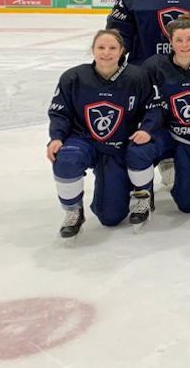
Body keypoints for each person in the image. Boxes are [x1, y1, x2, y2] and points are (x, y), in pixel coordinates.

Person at [45, 29, 157, 238]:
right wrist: (57, 137)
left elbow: (153, 107)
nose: (106, 53)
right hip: (83, 140)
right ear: (92, 50)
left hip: (118, 146)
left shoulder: (136, 76)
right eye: (101, 47)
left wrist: (146, 129)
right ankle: (73, 211)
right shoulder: (73, 77)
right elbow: (60, 112)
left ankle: (140, 195)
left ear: (122, 51)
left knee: (111, 217)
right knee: (66, 159)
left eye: (112, 48)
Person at [125, 17, 190, 226]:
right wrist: (147, 128)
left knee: (187, 203)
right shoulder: (155, 66)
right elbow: (146, 104)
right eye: (179, 40)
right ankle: (143, 197)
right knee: (138, 149)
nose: (184, 44)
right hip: (166, 133)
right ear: (170, 41)